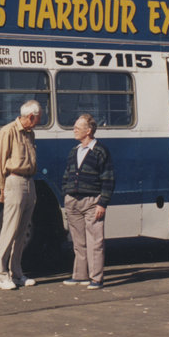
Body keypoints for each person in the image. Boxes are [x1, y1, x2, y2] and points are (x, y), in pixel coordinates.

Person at [61, 114, 114, 290]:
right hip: (73, 202)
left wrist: (102, 203)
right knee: (78, 241)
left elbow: (108, 179)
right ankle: (80, 275)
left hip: (92, 201)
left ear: (88, 130)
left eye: (78, 127)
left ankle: (96, 278)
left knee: (95, 241)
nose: (74, 130)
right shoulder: (73, 151)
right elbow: (67, 175)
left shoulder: (100, 151)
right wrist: (66, 194)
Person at [0, 100, 41, 290]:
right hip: (14, 180)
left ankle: (17, 272)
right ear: (30, 116)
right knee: (9, 230)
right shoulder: (8, 131)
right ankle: (1, 274)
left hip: (30, 182)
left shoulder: (30, 133)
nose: (39, 120)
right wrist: (1, 188)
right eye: (38, 117)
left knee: (22, 231)